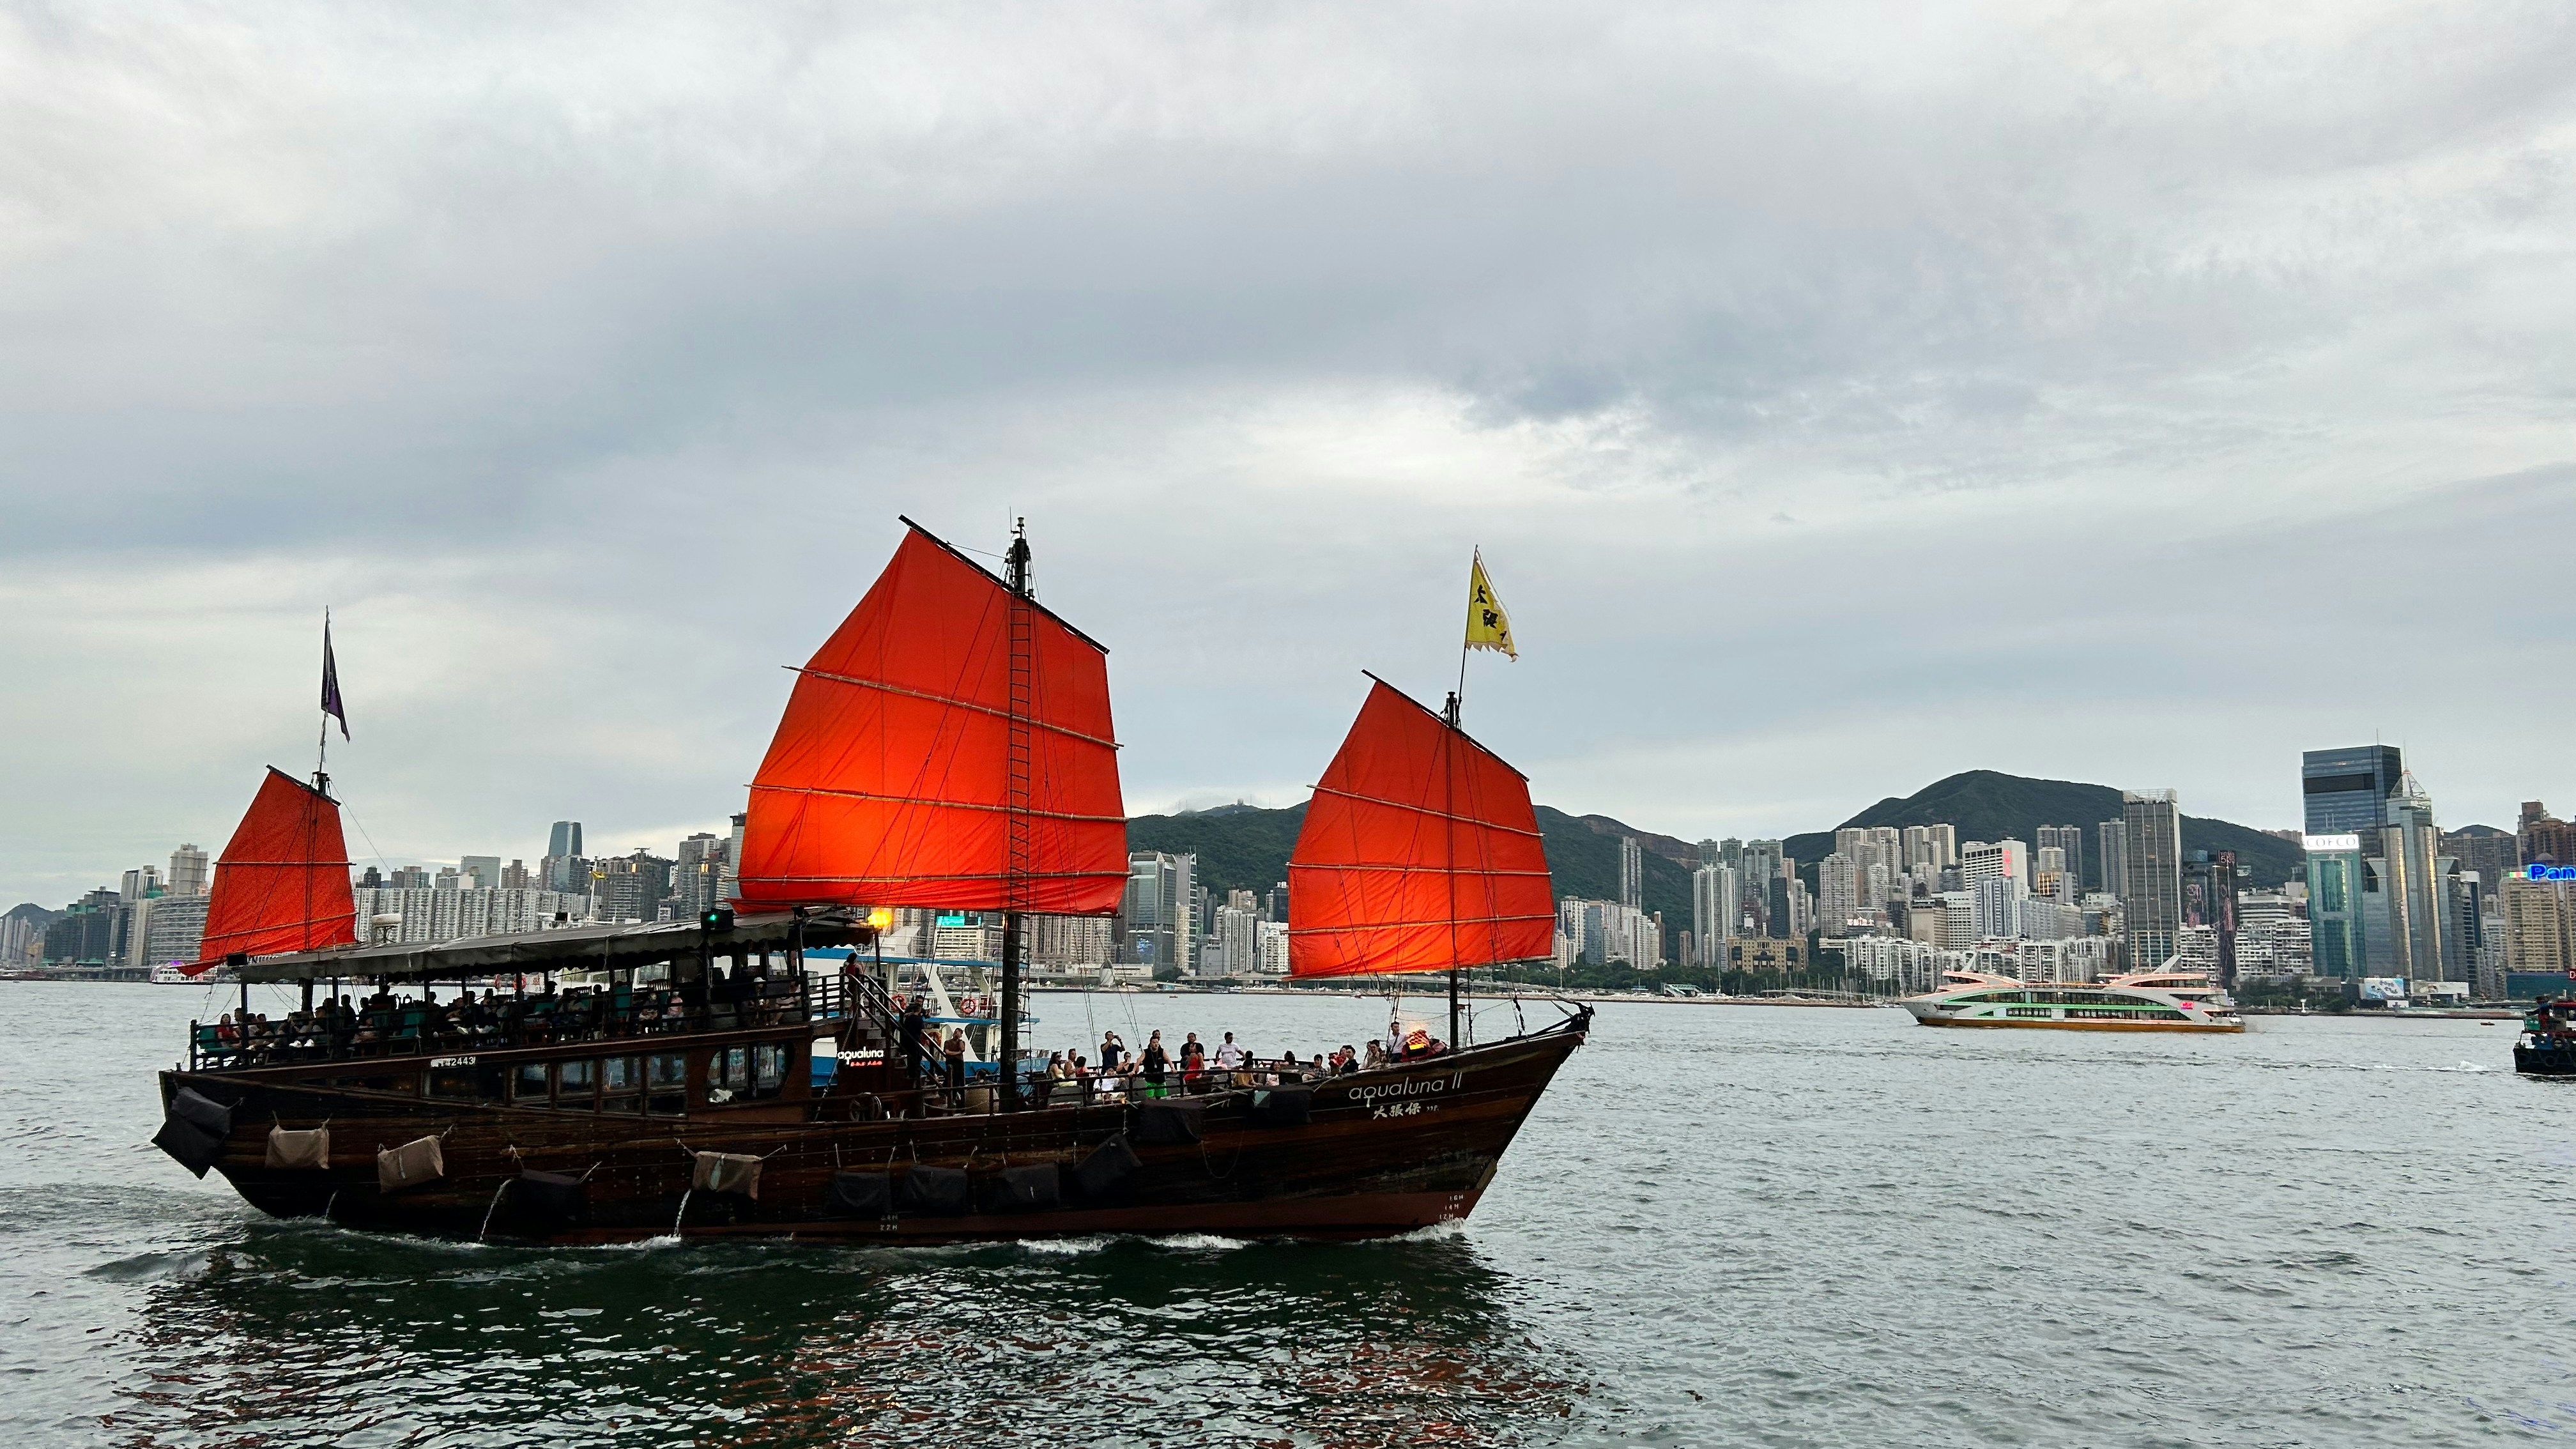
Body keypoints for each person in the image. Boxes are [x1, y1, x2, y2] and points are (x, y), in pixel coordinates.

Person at [942, 1027, 968, 1105]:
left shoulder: (962, 1042)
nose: (956, 1034)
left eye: (959, 1033)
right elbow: (947, 1052)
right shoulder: (948, 1042)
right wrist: (957, 1053)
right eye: (956, 1032)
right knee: (951, 1078)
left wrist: (959, 1040)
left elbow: (962, 1049)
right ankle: (948, 1095)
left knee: (959, 1080)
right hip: (951, 1062)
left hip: (959, 1063)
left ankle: (960, 1099)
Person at [1138, 1031, 1169, 1099]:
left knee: (1160, 1094)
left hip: (1160, 1075)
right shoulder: (1147, 1051)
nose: (1156, 1044)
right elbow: (1140, 1060)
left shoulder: (1162, 1050)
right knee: (1150, 1095)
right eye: (1156, 1035)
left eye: (1159, 1035)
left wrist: (1172, 1067)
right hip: (1150, 1075)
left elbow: (1168, 1059)